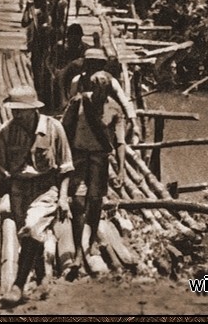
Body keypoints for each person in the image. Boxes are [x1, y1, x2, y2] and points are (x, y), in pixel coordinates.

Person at [0, 86, 74, 305]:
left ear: (34, 110)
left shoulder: (54, 128)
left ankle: (17, 286)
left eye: (21, 110)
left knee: (32, 227)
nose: (16, 114)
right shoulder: (6, 131)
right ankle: (43, 278)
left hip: (45, 189)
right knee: (28, 236)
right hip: (18, 190)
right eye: (13, 110)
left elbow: (65, 167)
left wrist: (63, 198)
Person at [61, 71, 125, 271]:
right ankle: (80, 249)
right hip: (79, 157)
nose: (98, 92)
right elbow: (63, 130)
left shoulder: (115, 109)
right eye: (95, 87)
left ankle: (90, 242)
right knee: (79, 201)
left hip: (100, 159)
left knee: (95, 201)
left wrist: (121, 170)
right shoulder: (79, 103)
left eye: (103, 89)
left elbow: (120, 142)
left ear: (108, 90)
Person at [66, 48, 141, 143]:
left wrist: (134, 125)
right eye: (91, 63)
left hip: (106, 120)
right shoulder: (77, 81)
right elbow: (72, 104)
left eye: (97, 64)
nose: (93, 67)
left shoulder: (110, 81)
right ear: (86, 64)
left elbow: (125, 102)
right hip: (84, 121)